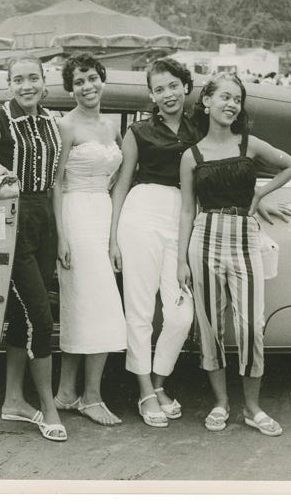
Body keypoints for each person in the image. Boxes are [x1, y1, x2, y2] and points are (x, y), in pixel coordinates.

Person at [177, 72, 291, 437]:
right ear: (206, 102)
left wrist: (260, 195)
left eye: (237, 99)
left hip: (245, 238)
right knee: (211, 326)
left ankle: (253, 408)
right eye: (225, 97)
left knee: (250, 328)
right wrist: (182, 259)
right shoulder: (191, 155)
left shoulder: (249, 144)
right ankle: (221, 403)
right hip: (205, 236)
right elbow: (187, 210)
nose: (232, 104)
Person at [0, 54, 67, 442]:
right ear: (10, 84)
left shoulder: (51, 121)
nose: (27, 86)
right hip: (13, 222)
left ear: (44, 82)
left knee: (23, 318)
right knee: (41, 317)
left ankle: (13, 401)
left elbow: (56, 180)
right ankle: (48, 408)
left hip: (45, 222)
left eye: (33, 79)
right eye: (19, 80)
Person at [109, 57, 197, 428]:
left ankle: (160, 381)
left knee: (180, 313)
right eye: (159, 89)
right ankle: (146, 390)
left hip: (184, 215)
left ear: (186, 87)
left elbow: (232, 164)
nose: (167, 94)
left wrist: (263, 197)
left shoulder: (202, 129)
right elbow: (122, 184)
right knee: (141, 308)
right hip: (142, 212)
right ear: (151, 96)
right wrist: (112, 237)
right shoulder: (139, 132)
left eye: (173, 86)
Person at [52, 52, 126, 426]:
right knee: (94, 304)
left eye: (91, 78)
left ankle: (68, 393)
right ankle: (90, 398)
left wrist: (114, 238)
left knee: (86, 305)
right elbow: (56, 184)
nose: (87, 87)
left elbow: (116, 181)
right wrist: (60, 237)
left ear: (102, 78)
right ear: (71, 90)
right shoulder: (66, 126)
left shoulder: (113, 126)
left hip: (102, 214)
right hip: (75, 214)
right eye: (78, 82)